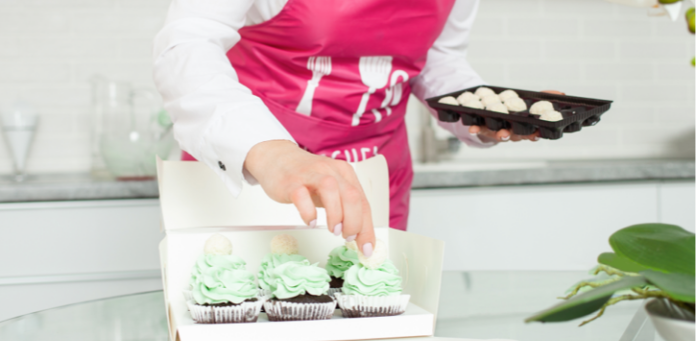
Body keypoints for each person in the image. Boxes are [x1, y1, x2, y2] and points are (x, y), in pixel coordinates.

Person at [153, 0, 540, 259]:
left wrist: (479, 112)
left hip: (374, 181)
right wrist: (270, 152)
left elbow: (436, 56)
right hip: (251, 173)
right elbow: (186, 44)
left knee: (366, 339)